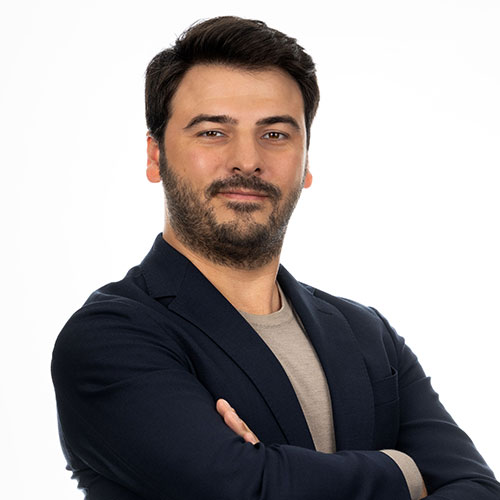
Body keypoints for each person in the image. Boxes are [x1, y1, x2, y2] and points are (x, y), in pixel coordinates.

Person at [51, 16, 499, 500]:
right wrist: (406, 472)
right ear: (155, 156)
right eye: (212, 132)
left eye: (275, 135)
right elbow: (248, 488)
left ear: (306, 164)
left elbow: (477, 488)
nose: (247, 160)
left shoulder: (368, 334)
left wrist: (275, 468)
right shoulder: (110, 339)